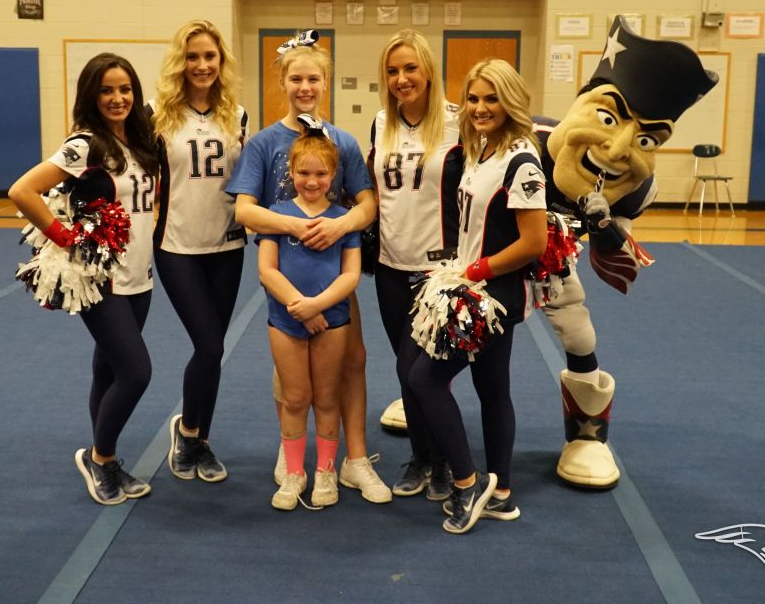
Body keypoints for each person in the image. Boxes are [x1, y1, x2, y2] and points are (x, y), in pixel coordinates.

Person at [540, 16, 718, 489]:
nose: (618, 148)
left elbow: (615, 267)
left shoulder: (637, 187)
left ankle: (587, 437)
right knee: (453, 320)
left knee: (578, 327)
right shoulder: (523, 142)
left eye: (645, 140)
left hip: (553, 261)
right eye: (607, 117)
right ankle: (425, 402)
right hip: (491, 255)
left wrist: (602, 228)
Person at [227, 33, 391, 504]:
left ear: (326, 83)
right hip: (288, 274)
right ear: (282, 81)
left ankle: (353, 459)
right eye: (296, 78)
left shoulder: (341, 142)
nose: (305, 86)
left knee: (352, 360)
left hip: (335, 273)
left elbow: (366, 203)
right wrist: (294, 227)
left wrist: (341, 229)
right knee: (293, 374)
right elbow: (244, 212)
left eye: (313, 79)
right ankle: (292, 452)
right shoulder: (263, 143)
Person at [8, 53, 160, 506]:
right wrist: (65, 236)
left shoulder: (141, 139)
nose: (117, 98)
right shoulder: (84, 145)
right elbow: (22, 190)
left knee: (108, 368)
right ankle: (100, 457)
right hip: (100, 279)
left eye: (125, 89)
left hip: (140, 275)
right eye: (106, 90)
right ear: (92, 96)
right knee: (136, 373)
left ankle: (107, 462)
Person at [408, 59, 548, 534]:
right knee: (492, 389)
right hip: (471, 283)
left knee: (424, 379)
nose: (481, 107)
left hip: (492, 295)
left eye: (492, 98)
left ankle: (468, 483)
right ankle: (502, 493)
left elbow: (534, 243)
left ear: (510, 102)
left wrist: (477, 270)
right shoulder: (481, 150)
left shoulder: (522, 161)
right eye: (474, 98)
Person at [149, 20, 248, 483]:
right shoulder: (156, 116)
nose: (202, 65)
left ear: (221, 62)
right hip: (177, 245)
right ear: (180, 63)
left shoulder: (238, 116)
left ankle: (199, 440)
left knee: (214, 349)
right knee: (208, 345)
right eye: (193, 57)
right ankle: (188, 430)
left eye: (210, 57)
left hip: (227, 244)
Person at [367, 29, 463, 501]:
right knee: (403, 369)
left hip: (439, 271)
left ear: (427, 70)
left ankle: (441, 460)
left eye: (410, 68)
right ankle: (423, 458)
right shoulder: (380, 121)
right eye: (392, 70)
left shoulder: (457, 123)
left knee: (420, 371)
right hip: (389, 265)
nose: (401, 78)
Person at [257, 128, 362, 509]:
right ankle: (295, 473)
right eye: (304, 174)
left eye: (321, 174)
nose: (312, 181)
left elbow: (351, 276)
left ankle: (325, 472)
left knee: (328, 397)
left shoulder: (342, 220)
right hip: (285, 319)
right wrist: (298, 305)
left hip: (332, 319)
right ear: (292, 172)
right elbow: (267, 270)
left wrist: (317, 305)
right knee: (296, 396)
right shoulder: (278, 216)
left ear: (333, 175)